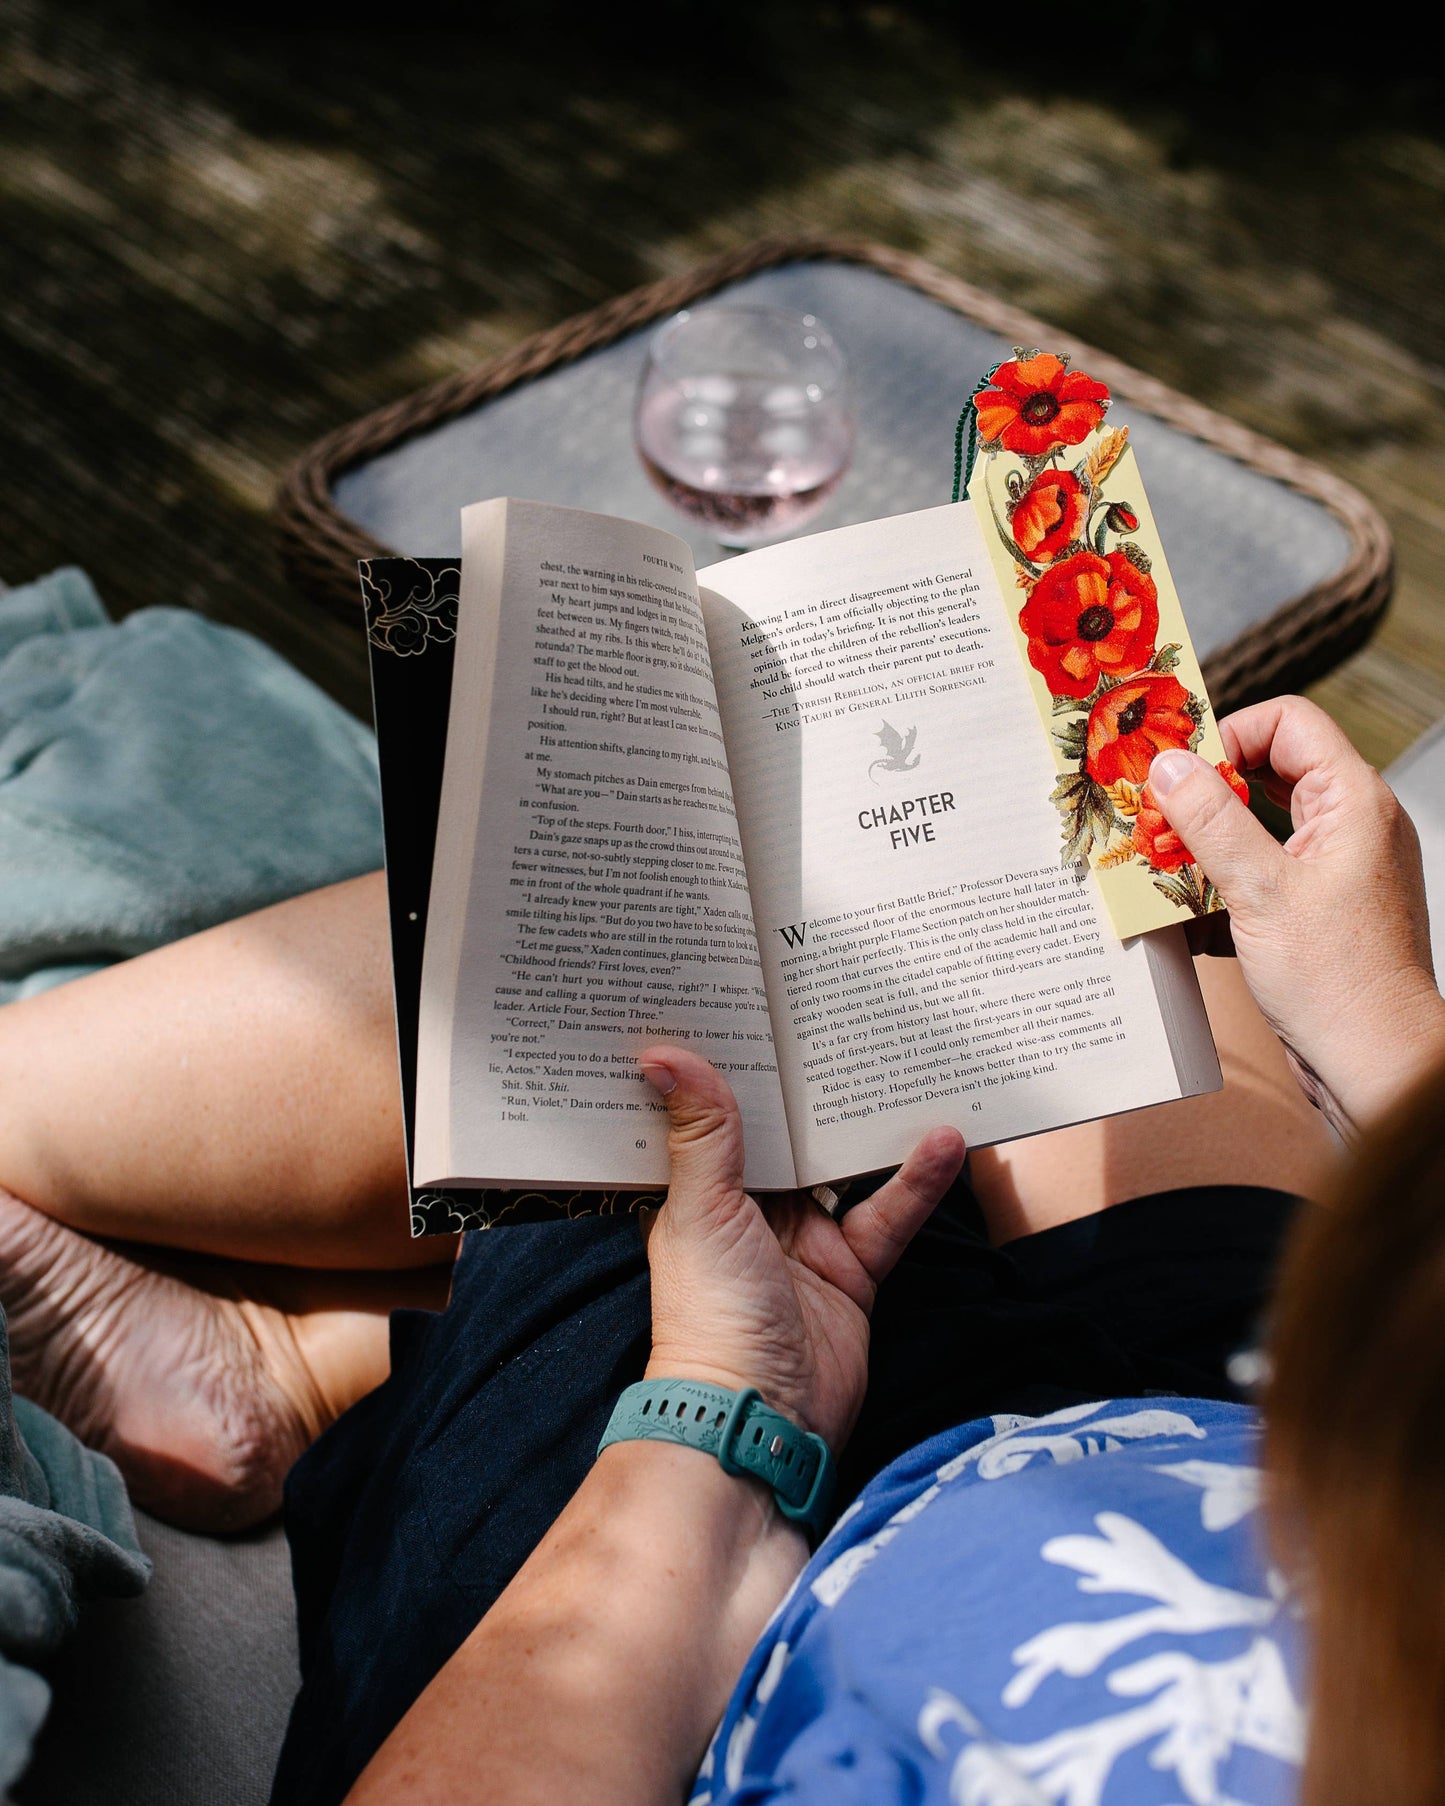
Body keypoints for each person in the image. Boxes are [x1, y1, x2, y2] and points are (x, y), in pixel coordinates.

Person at [0, 697, 1441, 1803]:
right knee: (1091, 911)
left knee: (688, 957)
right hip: (1252, 1445)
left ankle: (152, 1229)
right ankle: (323, 1357)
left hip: (703, 1635)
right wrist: (1385, 1034)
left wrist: (723, 1406)